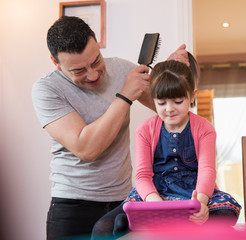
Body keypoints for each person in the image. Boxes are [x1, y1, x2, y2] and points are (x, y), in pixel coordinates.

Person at [31, 16, 189, 240]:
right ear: (56, 63)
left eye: (96, 61)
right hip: (72, 208)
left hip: (122, 205)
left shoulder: (123, 68)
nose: (93, 74)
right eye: (78, 71)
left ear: (97, 44)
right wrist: (125, 95)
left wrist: (172, 73)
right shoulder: (47, 90)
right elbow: (86, 148)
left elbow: (169, 107)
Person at [91, 60, 241, 239]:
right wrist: (156, 206)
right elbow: (142, 176)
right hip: (155, 193)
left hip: (193, 192)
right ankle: (141, 220)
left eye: (178, 101)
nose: (169, 109)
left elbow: (207, 170)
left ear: (192, 96)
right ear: (154, 99)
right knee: (102, 228)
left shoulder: (205, 128)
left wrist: (200, 203)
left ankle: (141, 222)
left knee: (226, 214)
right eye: (161, 103)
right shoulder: (145, 130)